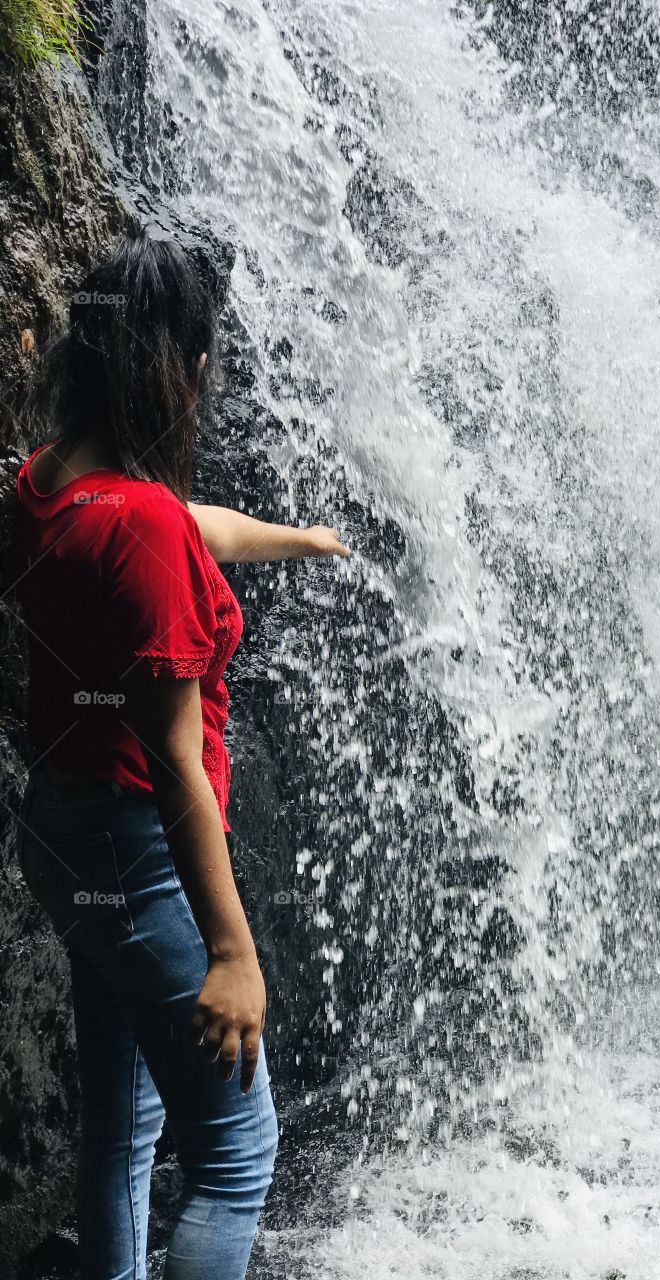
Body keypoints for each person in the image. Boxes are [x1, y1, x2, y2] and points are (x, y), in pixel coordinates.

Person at [8, 227, 350, 1279]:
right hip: (139, 847)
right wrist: (233, 954)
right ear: (179, 368)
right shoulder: (146, 530)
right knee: (239, 1152)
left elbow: (184, 521)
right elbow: (174, 764)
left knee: (122, 1128)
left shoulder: (42, 486)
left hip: (60, 836)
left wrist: (306, 539)